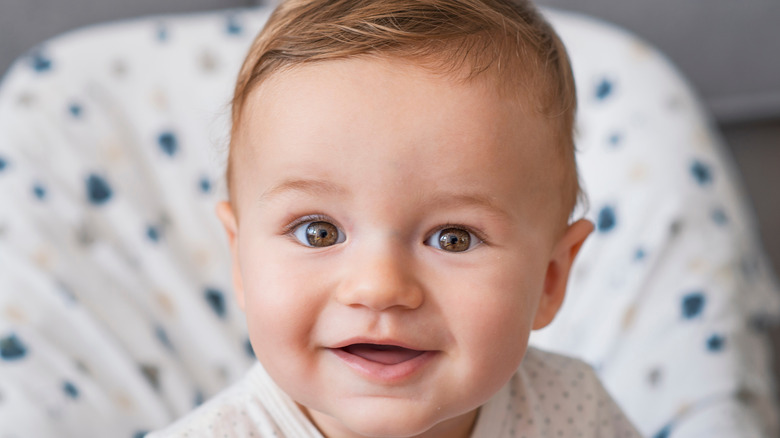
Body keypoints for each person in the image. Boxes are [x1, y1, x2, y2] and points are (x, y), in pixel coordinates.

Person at [149, 0, 642, 436]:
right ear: (240, 260)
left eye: (454, 238)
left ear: (551, 278)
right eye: (318, 233)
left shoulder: (574, 413)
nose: (380, 287)